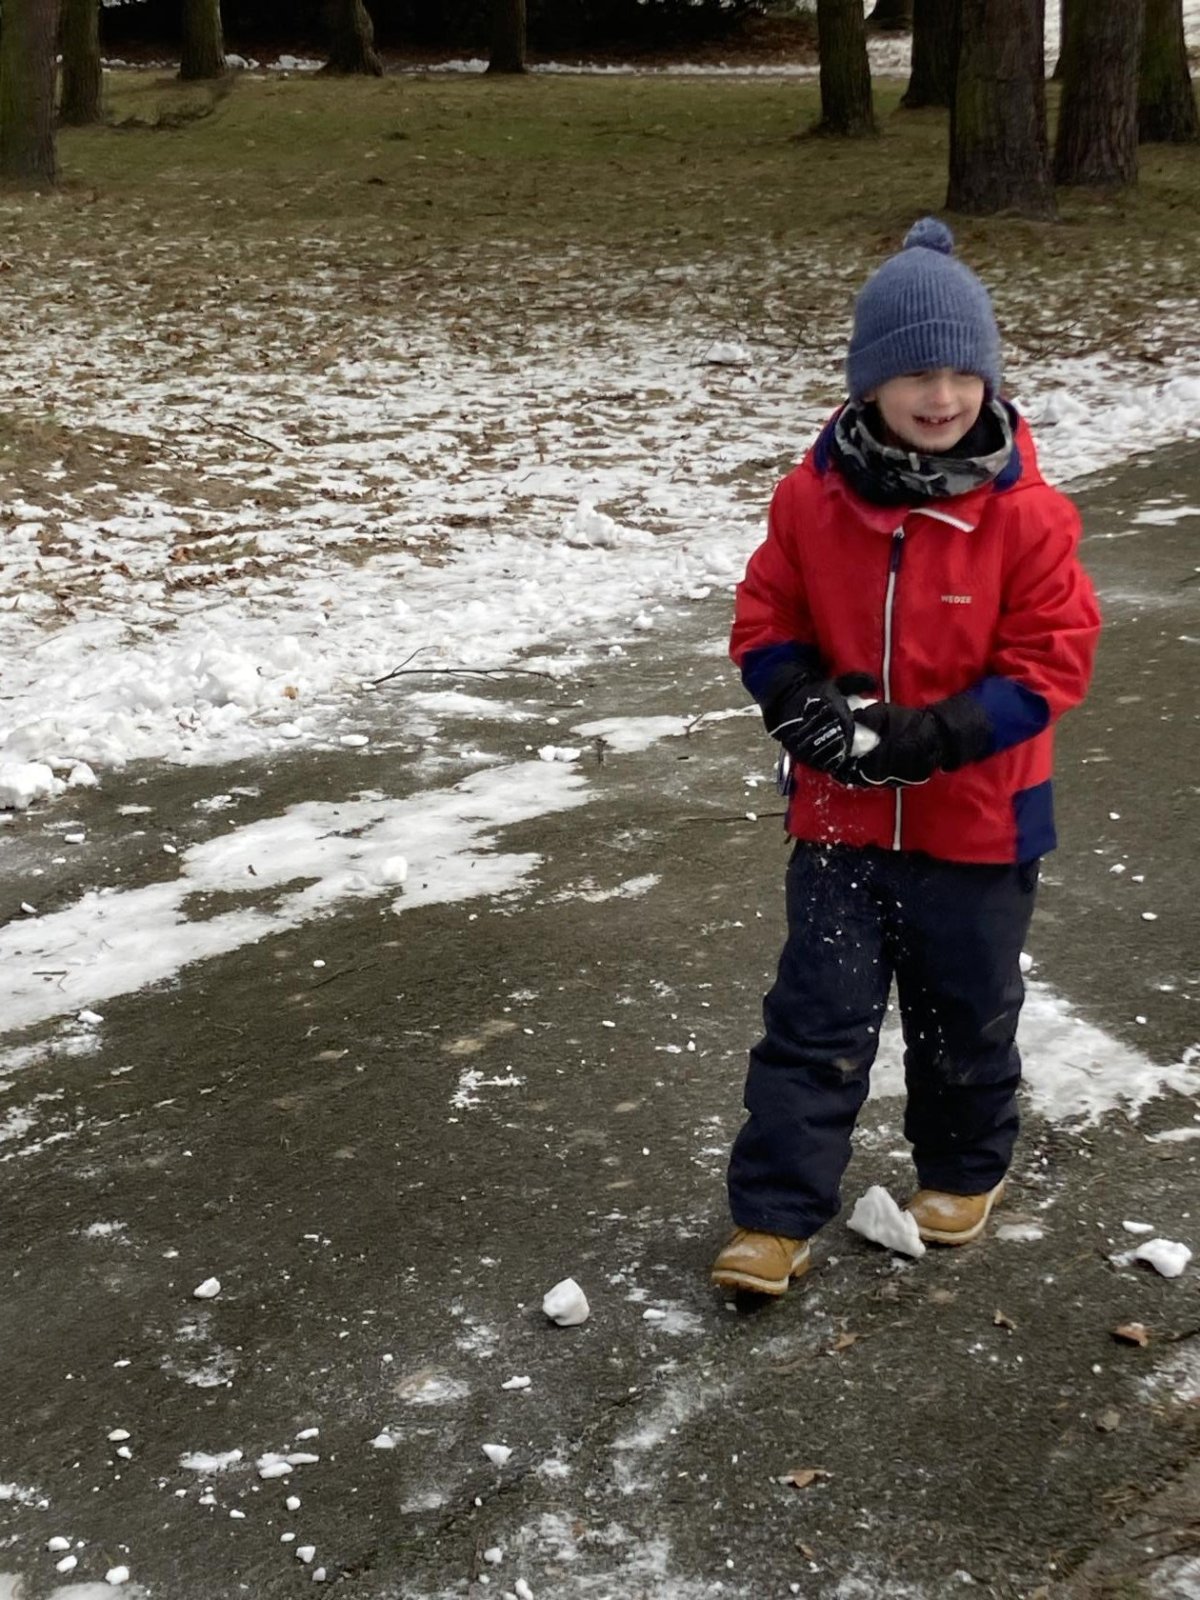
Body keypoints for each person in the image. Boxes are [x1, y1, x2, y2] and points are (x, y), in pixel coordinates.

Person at [711, 217, 1101, 1297]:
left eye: (963, 374)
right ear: (869, 384)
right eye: (916, 373)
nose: (942, 396)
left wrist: (936, 735)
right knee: (814, 1020)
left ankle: (963, 1168)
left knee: (963, 1015)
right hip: (839, 822)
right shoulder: (812, 500)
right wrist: (794, 698)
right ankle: (773, 1216)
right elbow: (764, 616)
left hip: (978, 824)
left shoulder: (1027, 518)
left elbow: (1053, 659)